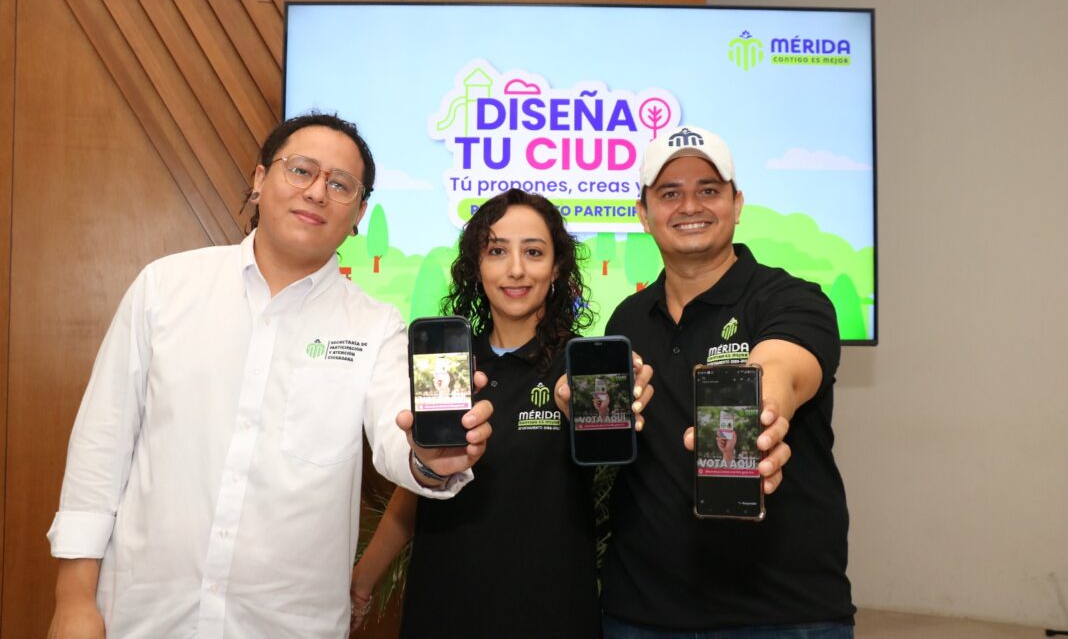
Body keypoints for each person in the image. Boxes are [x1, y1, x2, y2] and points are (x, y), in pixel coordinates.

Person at [45, 113, 494, 639]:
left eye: (340, 184)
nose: (317, 192)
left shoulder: (376, 326)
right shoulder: (165, 287)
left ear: (359, 214)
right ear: (260, 180)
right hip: (145, 616)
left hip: (288, 624)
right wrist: (73, 599)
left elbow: (399, 439)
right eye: (301, 170)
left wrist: (430, 460)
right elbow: (102, 443)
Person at [557, 125, 854, 637]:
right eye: (670, 193)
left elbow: (781, 371)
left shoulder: (792, 299)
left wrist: (758, 418)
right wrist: (584, 410)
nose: (690, 206)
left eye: (709, 190)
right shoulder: (627, 320)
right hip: (641, 612)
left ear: (737, 204)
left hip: (784, 613)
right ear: (643, 213)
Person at [349, 189, 652, 639]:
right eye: (496, 251)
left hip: (551, 612)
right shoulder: (449, 365)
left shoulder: (583, 367)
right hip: (444, 607)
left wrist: (599, 410)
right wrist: (361, 582)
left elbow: (615, 450)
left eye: (534, 252)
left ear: (556, 268)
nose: (515, 269)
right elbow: (420, 486)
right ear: (477, 266)